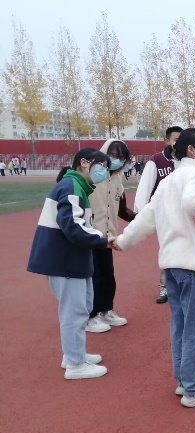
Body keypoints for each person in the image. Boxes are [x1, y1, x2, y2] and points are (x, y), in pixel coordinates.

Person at [113, 128, 195, 408]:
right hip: (191, 263)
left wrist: (123, 240)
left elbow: (146, 217)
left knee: (181, 326)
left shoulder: (169, 180)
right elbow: (194, 203)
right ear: (193, 150)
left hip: (171, 265)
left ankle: (185, 379)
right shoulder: (192, 174)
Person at [27, 148, 115, 380]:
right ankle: (75, 364)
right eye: (102, 166)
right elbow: (72, 227)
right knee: (73, 312)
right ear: (84, 163)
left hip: (72, 259)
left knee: (83, 307)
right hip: (64, 260)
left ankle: (74, 355)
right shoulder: (71, 186)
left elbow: (77, 226)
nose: (105, 172)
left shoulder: (77, 187)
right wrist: (103, 240)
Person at [85, 140, 136, 333]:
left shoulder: (117, 180)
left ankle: (105, 310)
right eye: (113, 155)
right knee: (92, 277)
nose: (117, 160)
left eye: (121, 157)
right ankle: (89, 316)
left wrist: (143, 219)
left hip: (107, 238)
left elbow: (122, 210)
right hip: (89, 235)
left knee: (107, 276)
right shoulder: (91, 176)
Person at [134, 126, 184, 304]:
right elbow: (145, 188)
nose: (178, 143)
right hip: (165, 214)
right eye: (175, 139)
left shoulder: (185, 161)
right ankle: (165, 287)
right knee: (167, 249)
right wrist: (140, 214)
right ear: (167, 141)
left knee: (184, 249)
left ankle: (181, 285)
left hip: (184, 213)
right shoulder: (156, 160)